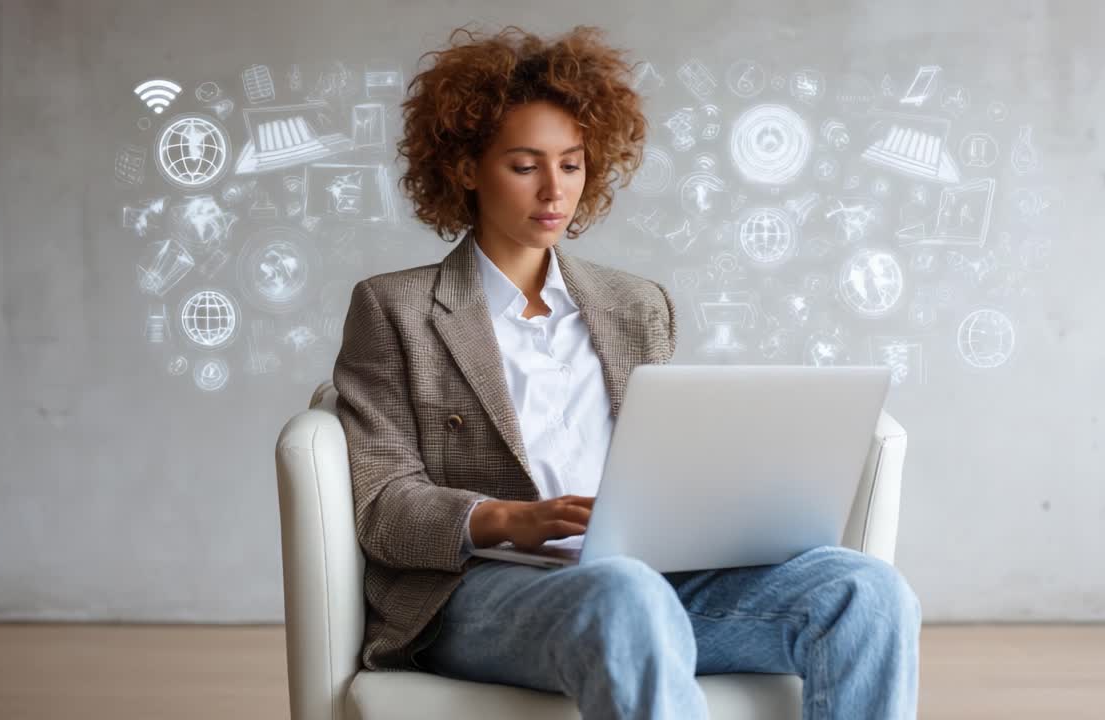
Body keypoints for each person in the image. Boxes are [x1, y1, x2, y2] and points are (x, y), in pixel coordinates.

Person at [333, 24, 921, 719]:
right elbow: (380, 506)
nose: (555, 189)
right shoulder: (393, 308)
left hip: (648, 578)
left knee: (867, 591)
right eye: (525, 165)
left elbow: (666, 461)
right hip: (485, 592)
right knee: (625, 594)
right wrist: (503, 519)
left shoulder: (636, 306)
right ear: (466, 168)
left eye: (573, 164)